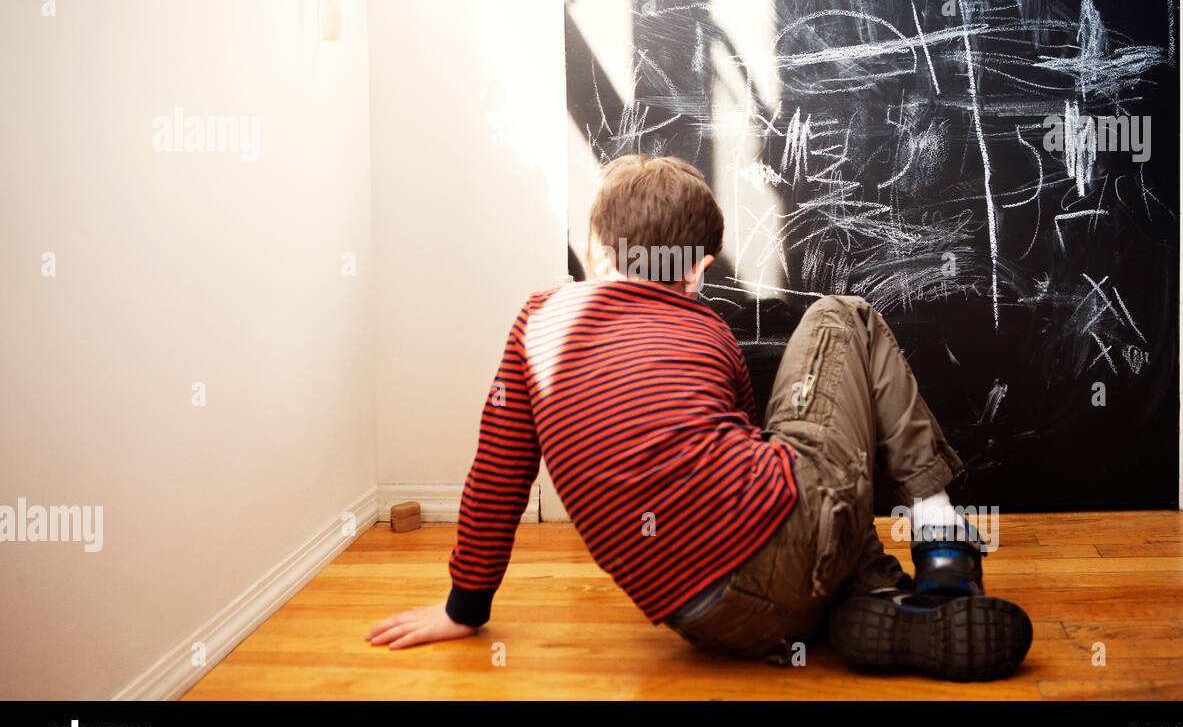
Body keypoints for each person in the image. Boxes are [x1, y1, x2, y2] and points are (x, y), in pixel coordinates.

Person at [366, 154, 1032, 680]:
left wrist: (465, 607)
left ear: (596, 250)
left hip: (702, 617)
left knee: (785, 487)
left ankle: (867, 603)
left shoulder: (537, 320)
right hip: (788, 539)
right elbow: (759, 473)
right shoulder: (706, 330)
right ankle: (943, 554)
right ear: (699, 270)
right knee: (843, 319)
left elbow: (498, 473)